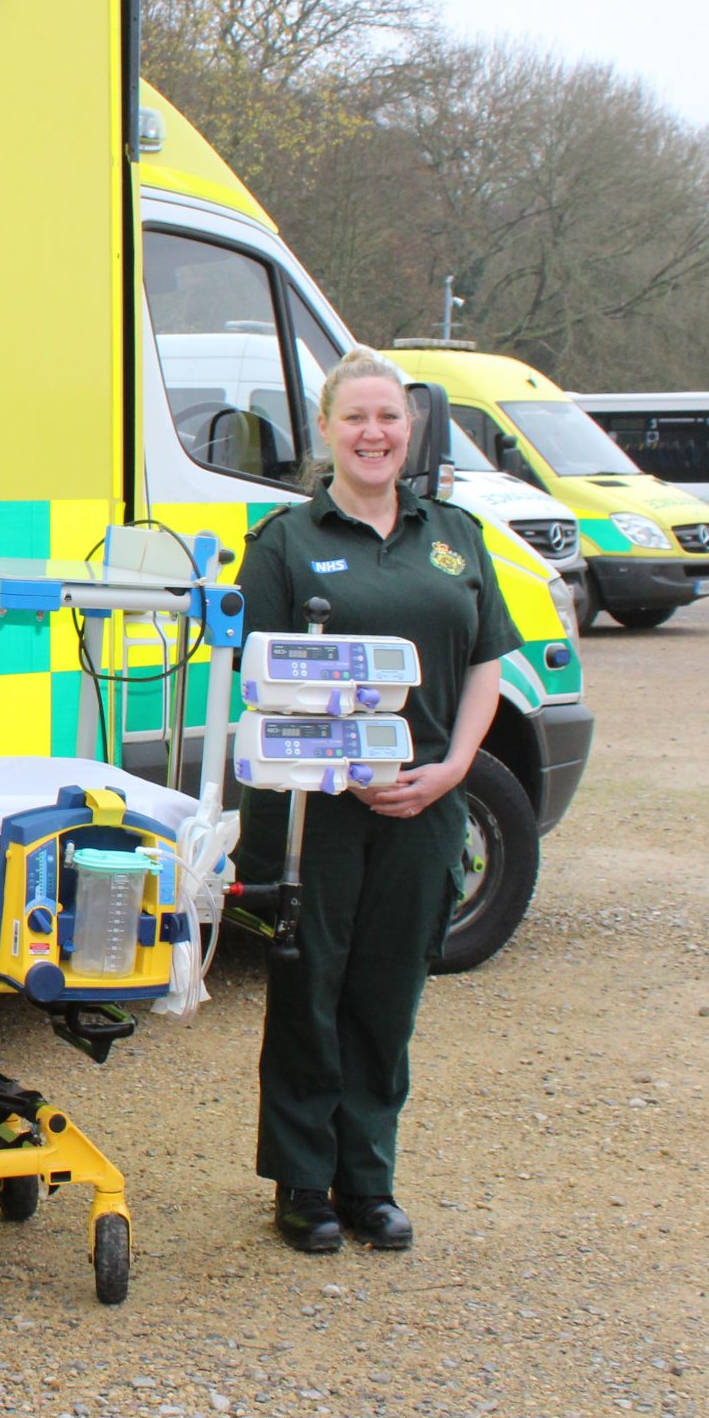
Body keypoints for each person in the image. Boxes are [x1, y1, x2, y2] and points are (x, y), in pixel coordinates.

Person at [233, 346, 518, 1255]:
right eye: (355, 417)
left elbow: (486, 663)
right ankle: (304, 1182)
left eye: (389, 417)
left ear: (412, 426)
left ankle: (370, 1180)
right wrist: (340, 762)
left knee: (390, 991)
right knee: (311, 987)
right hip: (318, 808)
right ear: (325, 429)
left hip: (426, 801)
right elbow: (256, 681)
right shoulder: (287, 540)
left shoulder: (456, 536)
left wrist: (454, 768)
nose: (374, 433)